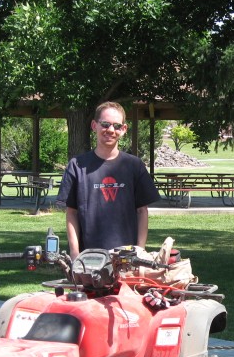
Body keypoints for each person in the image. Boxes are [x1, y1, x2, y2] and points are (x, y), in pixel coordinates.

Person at [57, 101, 161, 258]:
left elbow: (142, 211)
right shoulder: (77, 166)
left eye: (117, 126)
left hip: (128, 257)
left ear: (124, 129)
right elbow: (71, 213)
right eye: (105, 124)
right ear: (94, 126)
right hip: (89, 257)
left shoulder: (134, 165)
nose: (111, 130)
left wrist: (140, 251)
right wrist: (74, 252)